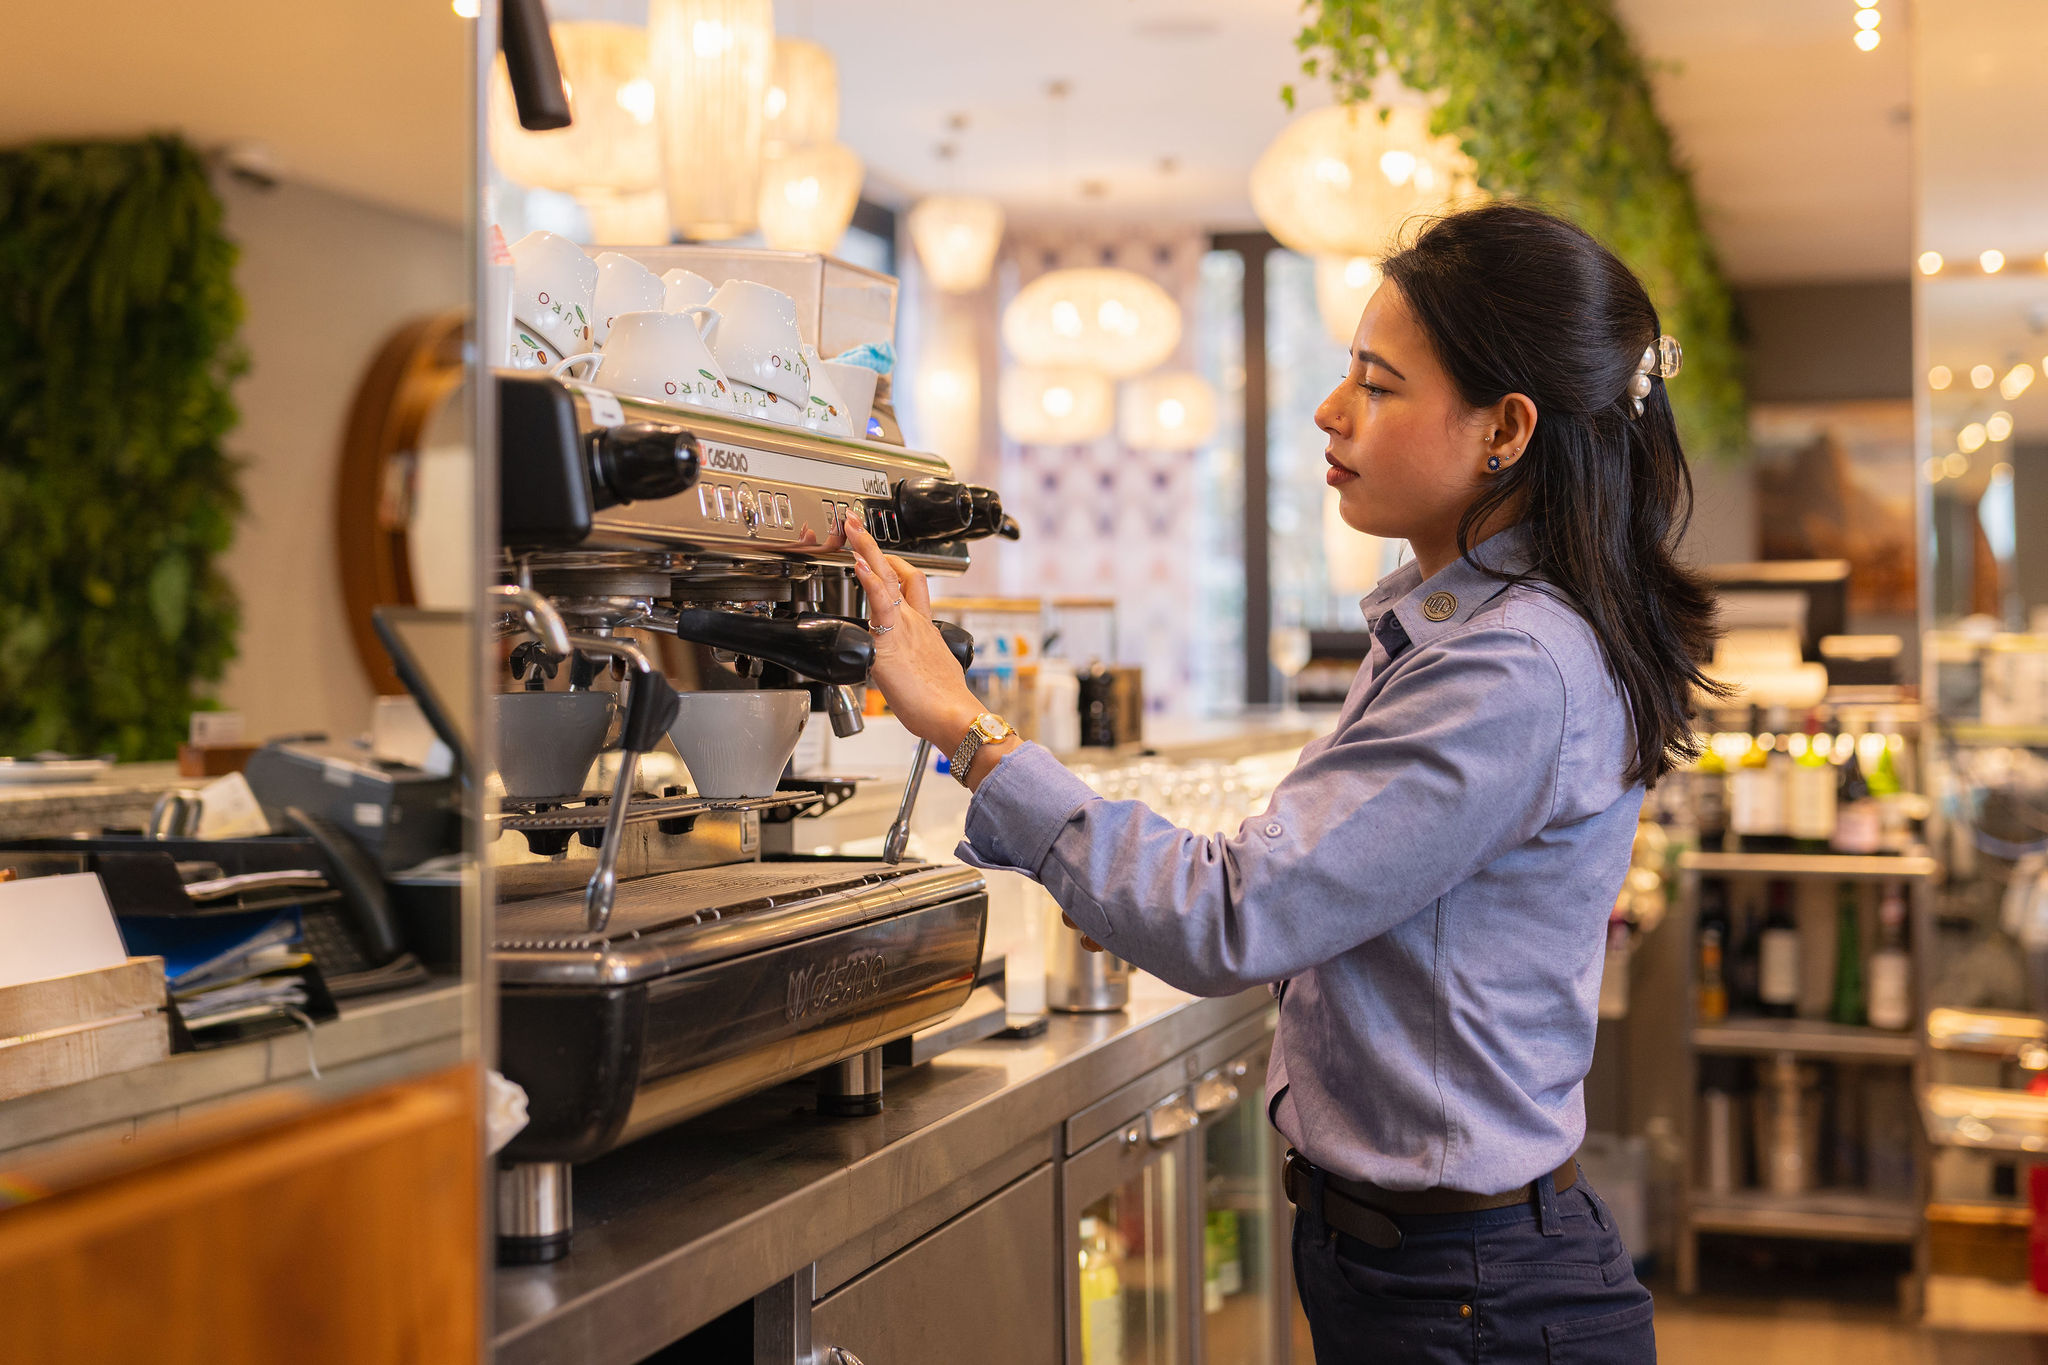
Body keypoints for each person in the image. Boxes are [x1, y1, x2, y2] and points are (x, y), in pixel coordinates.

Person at [841, 201, 1723, 1362]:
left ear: (1502, 429)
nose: (1329, 408)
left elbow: (1231, 913)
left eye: (1377, 382)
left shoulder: (1507, 668)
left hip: (1472, 1303)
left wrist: (967, 728)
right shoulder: (1461, 628)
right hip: (1424, 1273)